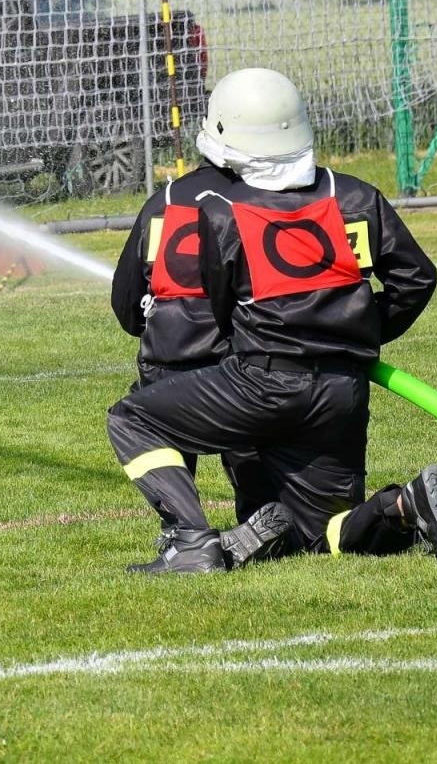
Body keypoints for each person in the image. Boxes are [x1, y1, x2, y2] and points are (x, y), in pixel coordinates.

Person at [105, 67, 437, 574]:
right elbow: (416, 277)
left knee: (133, 417)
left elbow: (219, 312)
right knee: (317, 534)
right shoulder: (354, 195)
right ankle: (403, 505)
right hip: (342, 390)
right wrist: (356, 337)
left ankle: (191, 539)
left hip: (261, 381)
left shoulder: (217, 211)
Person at [110, 160, 295, 569]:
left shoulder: (164, 201)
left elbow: (126, 307)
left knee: (142, 420)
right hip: (240, 366)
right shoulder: (263, 200)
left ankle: (182, 528)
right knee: (251, 443)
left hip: (166, 364)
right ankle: (261, 514)